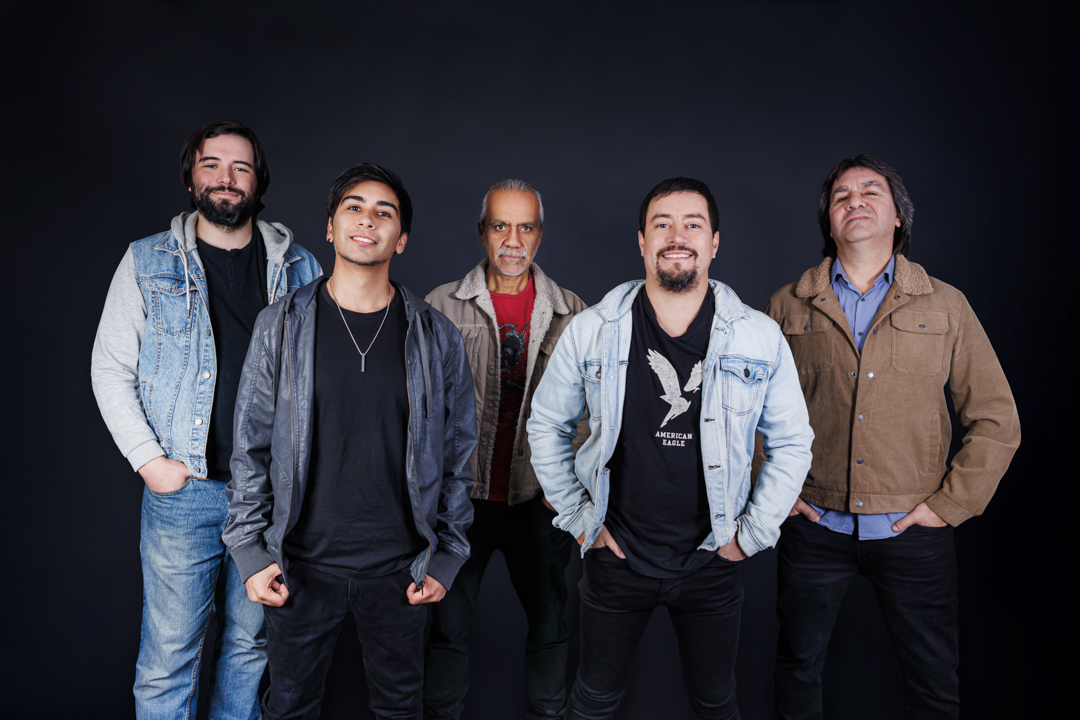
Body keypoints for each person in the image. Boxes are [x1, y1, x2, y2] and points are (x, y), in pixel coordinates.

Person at [527, 177, 814, 720]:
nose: (677, 236)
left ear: (714, 242)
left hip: (713, 557)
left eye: (693, 225)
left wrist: (751, 535)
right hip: (614, 556)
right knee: (592, 700)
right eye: (662, 224)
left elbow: (793, 442)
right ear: (642, 241)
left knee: (716, 703)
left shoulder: (757, 336)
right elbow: (545, 425)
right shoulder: (593, 330)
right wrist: (581, 519)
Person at [765, 155, 1021, 719]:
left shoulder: (946, 305)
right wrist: (776, 491)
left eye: (870, 191)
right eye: (841, 196)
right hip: (814, 526)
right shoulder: (787, 305)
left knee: (933, 684)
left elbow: (996, 417)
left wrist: (950, 504)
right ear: (829, 221)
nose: (854, 201)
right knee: (797, 671)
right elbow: (746, 411)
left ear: (898, 216)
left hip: (914, 529)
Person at [223, 163, 477, 719]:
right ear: (331, 228)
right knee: (289, 708)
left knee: (400, 709)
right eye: (354, 208)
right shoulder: (281, 324)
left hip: (402, 569)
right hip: (299, 565)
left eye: (384, 213)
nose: (368, 220)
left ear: (401, 239)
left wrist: (446, 557)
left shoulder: (436, 336)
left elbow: (460, 458)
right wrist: (251, 554)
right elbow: (250, 446)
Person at [91, 120, 322, 718]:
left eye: (240, 167)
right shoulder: (146, 260)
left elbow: (325, 379)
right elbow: (110, 366)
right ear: (191, 177)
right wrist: (149, 461)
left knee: (251, 650)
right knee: (169, 656)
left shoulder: (302, 267)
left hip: (270, 498)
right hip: (184, 491)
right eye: (211, 165)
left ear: (258, 180)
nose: (226, 178)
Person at [424, 179, 589, 719]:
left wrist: (566, 489)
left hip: (538, 502)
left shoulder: (572, 312)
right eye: (501, 226)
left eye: (526, 227)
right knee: (444, 626)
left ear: (540, 235)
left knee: (549, 625)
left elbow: (592, 411)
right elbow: (417, 407)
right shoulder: (441, 305)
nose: (513, 240)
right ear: (482, 232)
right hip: (459, 503)